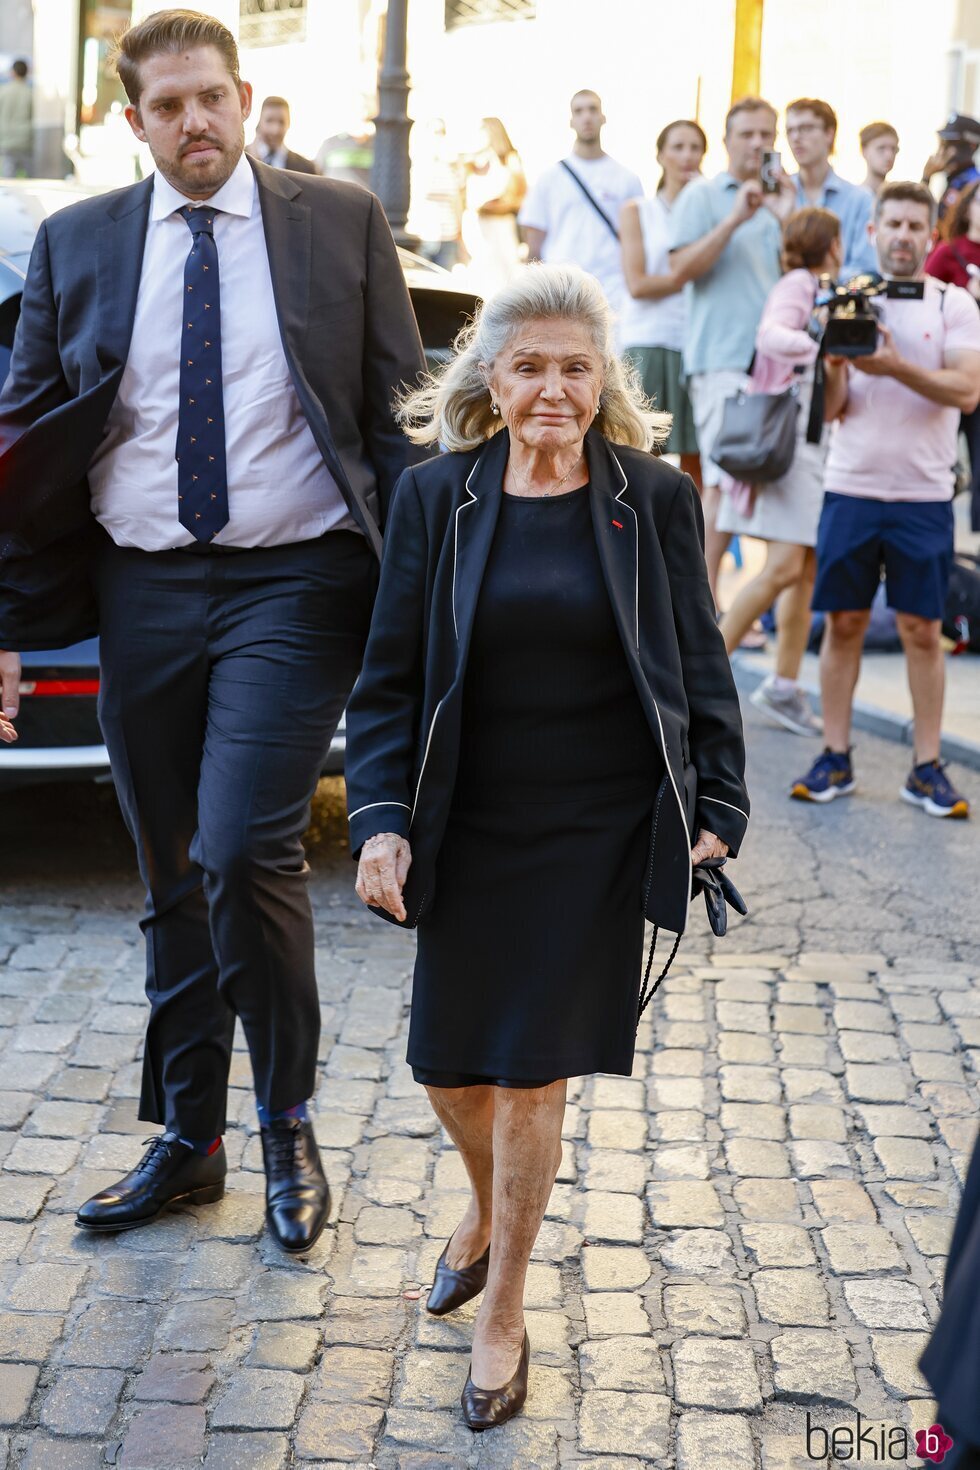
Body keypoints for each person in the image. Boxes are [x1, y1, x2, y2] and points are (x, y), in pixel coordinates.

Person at [0, 9, 425, 1251]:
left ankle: (286, 1118)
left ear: (244, 100)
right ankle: (191, 1141)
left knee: (245, 847)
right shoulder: (76, 243)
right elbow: (23, 451)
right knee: (170, 871)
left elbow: (398, 419)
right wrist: (10, 627)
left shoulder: (336, 221)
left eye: (212, 99)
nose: (195, 121)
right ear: (132, 121)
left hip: (293, 584)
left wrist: (427, 603)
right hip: (141, 590)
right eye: (168, 105)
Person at [343, 264, 749, 1429]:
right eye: (530, 368)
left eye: (576, 368)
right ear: (492, 381)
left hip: (594, 829)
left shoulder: (652, 499)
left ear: (603, 381)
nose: (554, 390)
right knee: (449, 1071)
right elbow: (388, 683)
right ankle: (481, 1209)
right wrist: (378, 819)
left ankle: (504, 1307)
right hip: (467, 822)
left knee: (533, 1077)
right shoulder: (438, 498)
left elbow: (696, 660)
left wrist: (717, 802)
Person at [791, 182, 980, 816]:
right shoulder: (851, 301)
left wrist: (893, 366)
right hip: (850, 487)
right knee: (842, 624)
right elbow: (836, 409)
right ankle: (835, 756)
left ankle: (925, 767)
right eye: (891, 223)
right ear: (872, 233)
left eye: (913, 225)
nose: (902, 235)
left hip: (924, 495)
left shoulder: (954, 304)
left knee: (922, 630)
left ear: (930, 236)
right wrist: (839, 364)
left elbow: (966, 391)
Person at [717, 208, 843, 737]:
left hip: (810, 449)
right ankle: (702, 671)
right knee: (785, 569)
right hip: (790, 451)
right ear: (826, 244)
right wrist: (819, 347)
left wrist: (834, 360)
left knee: (804, 571)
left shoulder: (825, 290)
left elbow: (832, 404)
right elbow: (771, 336)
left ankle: (785, 688)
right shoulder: (801, 284)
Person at [668, 95, 795, 607]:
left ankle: (740, 609)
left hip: (776, 365)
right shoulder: (702, 196)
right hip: (720, 358)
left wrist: (785, 218)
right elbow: (680, 270)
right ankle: (702, 606)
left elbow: (804, 276)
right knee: (720, 483)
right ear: (726, 141)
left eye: (766, 134)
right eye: (747, 134)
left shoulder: (787, 200)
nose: (758, 144)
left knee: (765, 483)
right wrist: (734, 220)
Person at [620, 118, 706, 486]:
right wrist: (691, 270)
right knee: (639, 451)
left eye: (695, 147)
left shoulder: (709, 212)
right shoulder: (638, 211)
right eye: (678, 147)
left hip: (696, 341)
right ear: (660, 155)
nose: (687, 156)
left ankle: (694, 541)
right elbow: (637, 283)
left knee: (698, 457)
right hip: (649, 339)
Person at [518, 90, 642, 318]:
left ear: (603, 117)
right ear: (571, 121)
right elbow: (534, 245)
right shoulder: (549, 178)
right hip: (560, 292)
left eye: (593, 109)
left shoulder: (627, 179)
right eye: (579, 111)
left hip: (612, 292)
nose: (587, 117)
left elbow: (635, 240)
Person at [926, 179, 980, 532]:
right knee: (936, 458)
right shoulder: (949, 252)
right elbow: (922, 298)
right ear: (969, 207)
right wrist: (965, 294)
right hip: (949, 370)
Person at [785, 98, 876, 278]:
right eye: (790, 131)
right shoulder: (779, 195)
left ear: (829, 133)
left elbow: (866, 271)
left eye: (806, 128)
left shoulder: (859, 200)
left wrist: (816, 278)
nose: (796, 137)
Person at [461, 117, 526, 295]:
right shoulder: (472, 162)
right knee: (481, 274)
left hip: (500, 225)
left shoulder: (509, 159)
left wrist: (494, 207)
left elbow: (519, 196)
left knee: (505, 276)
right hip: (477, 226)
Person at [923, 113, 980, 223]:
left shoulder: (973, 184)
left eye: (948, 144)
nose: (941, 151)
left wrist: (926, 178)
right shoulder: (955, 178)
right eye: (942, 144)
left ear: (971, 146)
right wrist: (926, 178)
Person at [246, 94, 316, 173]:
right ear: (259, 122)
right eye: (269, 120)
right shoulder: (241, 159)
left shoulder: (306, 168)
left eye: (281, 122)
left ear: (289, 124)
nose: (275, 130)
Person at [0, 59, 32, 178]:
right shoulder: (30, 93)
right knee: (29, 178)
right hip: (25, 140)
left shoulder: (3, 91)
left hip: (6, 140)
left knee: (8, 178)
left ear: (12, 72)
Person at [859, 121, 899, 197]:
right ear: (864, 151)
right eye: (881, 148)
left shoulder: (898, 197)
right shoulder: (852, 198)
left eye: (893, 149)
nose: (889, 156)